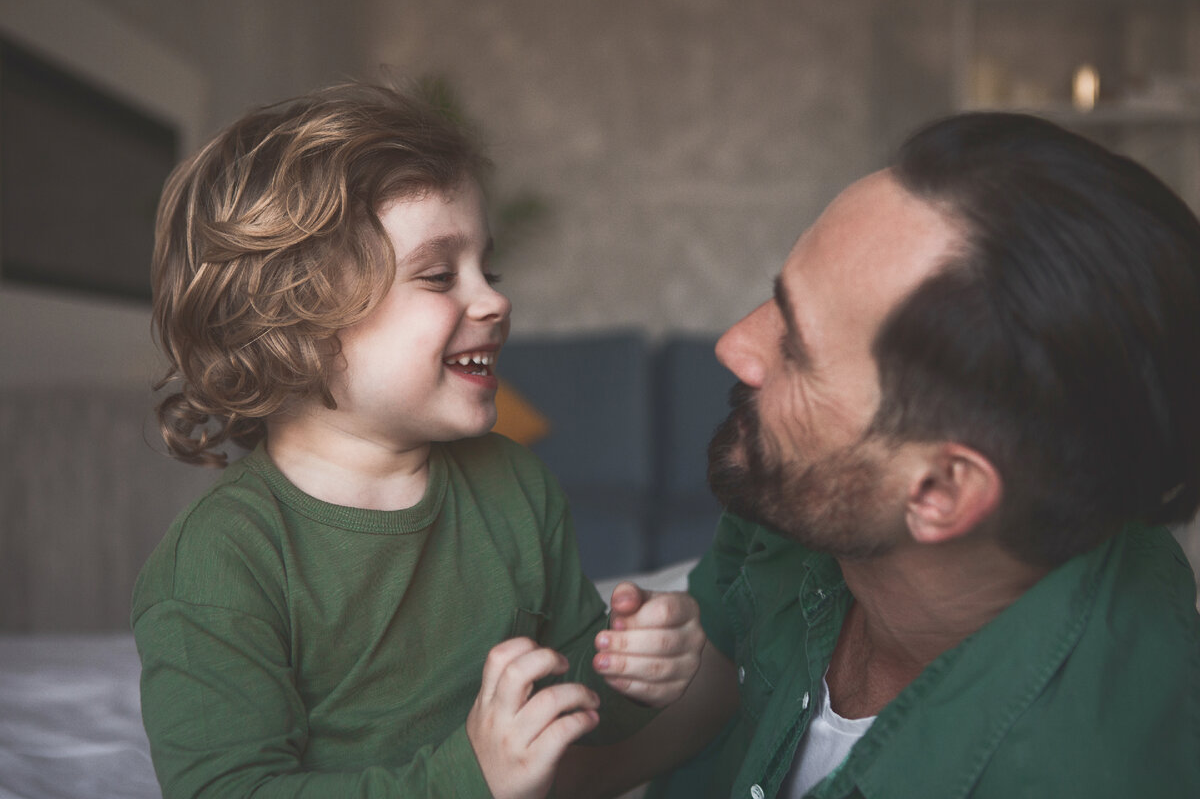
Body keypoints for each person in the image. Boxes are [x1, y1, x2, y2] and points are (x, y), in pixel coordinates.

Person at [557, 112, 1200, 798]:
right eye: (776, 298)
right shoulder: (812, 498)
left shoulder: (1082, 766)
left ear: (940, 493)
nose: (735, 345)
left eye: (797, 349)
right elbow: (719, 662)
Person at [132, 82, 704, 799]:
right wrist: (470, 779)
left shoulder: (516, 487)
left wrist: (630, 676)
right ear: (294, 326)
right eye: (439, 275)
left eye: (486, 269)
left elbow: (570, 699)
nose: (495, 300)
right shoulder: (221, 560)